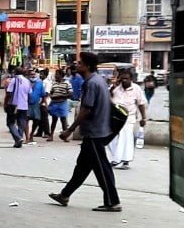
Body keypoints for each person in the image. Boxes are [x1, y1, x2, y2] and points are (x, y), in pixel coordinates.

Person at [49, 51, 121, 211]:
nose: (77, 65)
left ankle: (112, 201)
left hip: (94, 132)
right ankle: (65, 195)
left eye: (80, 63)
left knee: (102, 168)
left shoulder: (91, 83)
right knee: (82, 167)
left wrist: (69, 130)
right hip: (97, 130)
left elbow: (86, 110)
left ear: (87, 66)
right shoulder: (99, 80)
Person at [107, 67, 148, 169]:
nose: (124, 81)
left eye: (126, 79)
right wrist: (113, 87)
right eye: (122, 78)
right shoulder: (116, 88)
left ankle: (124, 160)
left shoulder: (136, 89)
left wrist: (144, 118)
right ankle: (117, 158)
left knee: (125, 138)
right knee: (111, 139)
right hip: (115, 117)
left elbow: (141, 104)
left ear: (131, 79)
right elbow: (108, 98)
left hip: (129, 117)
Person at [4, 66, 31, 147]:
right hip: (24, 105)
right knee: (21, 123)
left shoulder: (14, 80)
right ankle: (19, 140)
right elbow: (29, 93)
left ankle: (18, 138)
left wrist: (5, 103)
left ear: (15, 72)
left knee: (10, 123)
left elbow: (8, 93)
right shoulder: (27, 81)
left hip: (14, 105)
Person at [48, 68, 73, 137]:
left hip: (63, 103)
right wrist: (51, 96)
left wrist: (61, 95)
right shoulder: (54, 83)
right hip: (55, 103)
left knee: (63, 119)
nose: (56, 76)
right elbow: (51, 92)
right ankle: (51, 135)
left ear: (61, 75)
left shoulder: (67, 83)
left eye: (57, 74)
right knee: (54, 119)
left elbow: (70, 93)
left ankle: (65, 136)